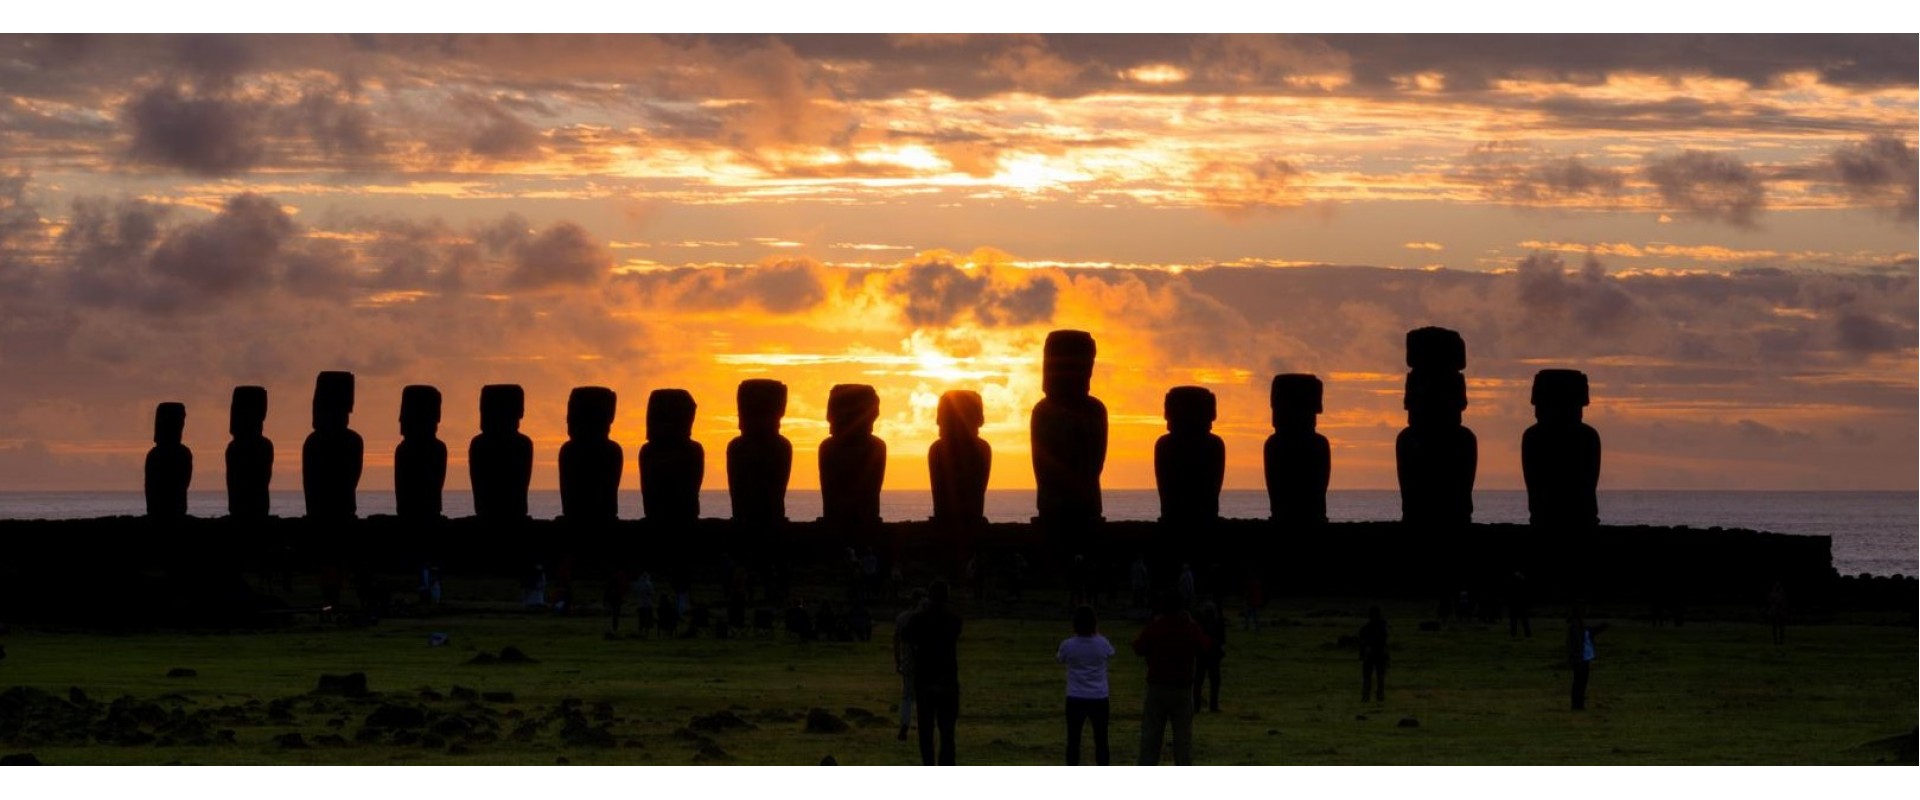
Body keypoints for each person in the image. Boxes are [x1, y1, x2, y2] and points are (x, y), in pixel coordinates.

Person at [1132, 592, 1210, 766]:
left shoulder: (1157, 626)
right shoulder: (1189, 627)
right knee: (1183, 741)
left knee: (1150, 740)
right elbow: (1205, 646)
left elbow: (1138, 647)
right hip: (1182, 689)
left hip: (1157, 687)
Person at [902, 580, 962, 765]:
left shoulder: (918, 618)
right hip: (947, 679)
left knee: (926, 732)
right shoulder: (954, 618)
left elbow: (908, 637)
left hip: (925, 678)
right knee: (947, 732)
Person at [1057, 605, 1115, 765]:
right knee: (1101, 738)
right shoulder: (1102, 643)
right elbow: (1110, 653)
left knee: (1073, 739)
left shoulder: (1068, 645)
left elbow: (1060, 658)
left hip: (1075, 696)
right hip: (1099, 696)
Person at [893, 588, 929, 741]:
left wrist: (898, 660)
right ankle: (924, 728)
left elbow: (896, 640)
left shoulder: (902, 618)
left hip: (907, 660)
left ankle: (904, 725)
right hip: (924, 661)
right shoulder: (926, 618)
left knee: (907, 696)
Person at [1566, 604, 1609, 711]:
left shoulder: (1579, 624)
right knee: (1579, 682)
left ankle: (1578, 704)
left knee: (1580, 682)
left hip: (1583, 657)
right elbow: (1574, 642)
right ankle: (1577, 705)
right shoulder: (1576, 625)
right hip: (1580, 658)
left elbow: (1588, 633)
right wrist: (1574, 656)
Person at [1192, 602, 1226, 713]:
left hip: (1202, 654)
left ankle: (1197, 705)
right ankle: (1213, 705)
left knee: (1199, 681)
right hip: (1213, 655)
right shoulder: (1217, 623)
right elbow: (1222, 639)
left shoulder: (1199, 624)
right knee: (1214, 681)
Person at [1359, 606, 1388, 702]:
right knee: (1371, 678)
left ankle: (1375, 696)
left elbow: (1382, 641)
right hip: (1373, 655)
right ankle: (1368, 696)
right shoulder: (1370, 628)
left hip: (1377, 655)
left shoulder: (1371, 628)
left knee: (1377, 678)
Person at [1766, 581, 1788, 646]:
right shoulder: (1777, 594)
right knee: (1776, 627)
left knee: (1779, 628)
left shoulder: (1778, 594)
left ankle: (1779, 640)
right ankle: (1777, 640)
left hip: (1778, 612)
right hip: (1776, 612)